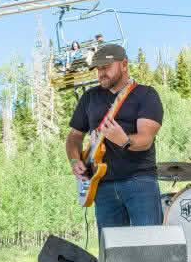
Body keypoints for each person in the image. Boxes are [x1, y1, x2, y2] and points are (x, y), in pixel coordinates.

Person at [65, 44, 165, 230]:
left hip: (139, 181)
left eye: (106, 67)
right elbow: (74, 136)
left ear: (124, 64)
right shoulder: (89, 97)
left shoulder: (146, 95)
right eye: (98, 69)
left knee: (150, 242)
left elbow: (146, 139)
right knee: (111, 246)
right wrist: (74, 160)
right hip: (102, 185)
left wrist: (124, 140)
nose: (101, 73)